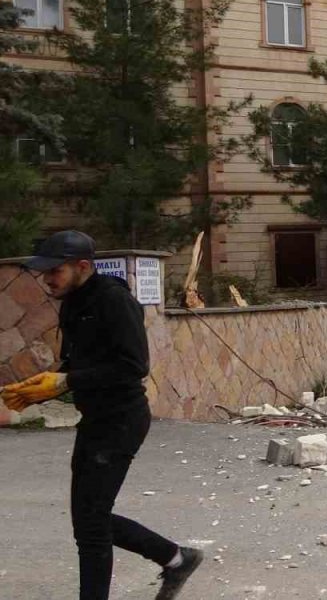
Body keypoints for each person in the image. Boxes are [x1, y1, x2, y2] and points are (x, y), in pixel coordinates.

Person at [0, 231, 203, 600]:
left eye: (55, 271)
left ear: (82, 266)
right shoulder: (72, 302)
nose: (48, 279)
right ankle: (176, 558)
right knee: (88, 521)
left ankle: (175, 559)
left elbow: (133, 366)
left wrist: (65, 380)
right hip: (94, 419)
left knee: (91, 525)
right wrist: (39, 390)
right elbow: (79, 363)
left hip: (121, 419)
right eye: (44, 272)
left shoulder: (113, 301)